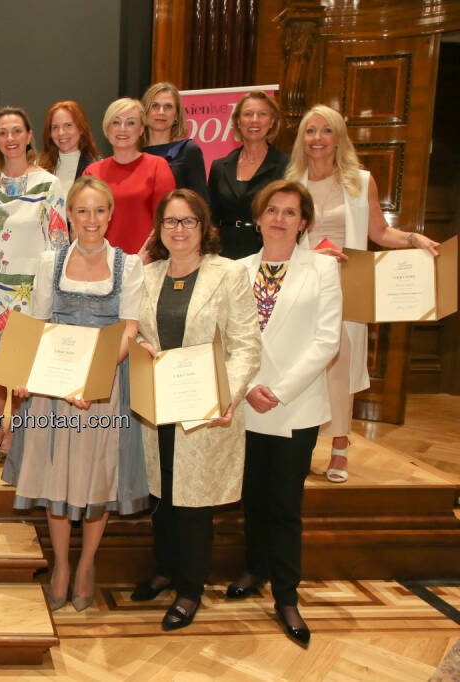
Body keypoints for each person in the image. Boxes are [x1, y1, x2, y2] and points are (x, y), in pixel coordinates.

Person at [3, 176, 148, 612]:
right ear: (69, 214)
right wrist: (25, 373)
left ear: (111, 214)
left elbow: (129, 329)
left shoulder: (129, 265)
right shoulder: (52, 261)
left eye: (99, 210)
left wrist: (92, 378)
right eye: (82, 211)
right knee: (57, 475)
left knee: (96, 475)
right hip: (54, 388)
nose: (91, 219)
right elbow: (39, 321)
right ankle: (61, 565)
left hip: (103, 386)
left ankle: (87, 563)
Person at [129, 189, 261, 631]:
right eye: (170, 221)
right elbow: (132, 332)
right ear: (159, 229)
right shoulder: (148, 275)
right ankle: (165, 569)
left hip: (205, 409)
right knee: (162, 496)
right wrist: (140, 345)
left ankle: (189, 589)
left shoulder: (229, 274)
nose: (179, 229)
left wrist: (226, 396)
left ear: (204, 227)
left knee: (194, 505)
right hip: (158, 406)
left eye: (188, 221)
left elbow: (246, 345)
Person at [286, 105, 439, 482]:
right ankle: (301, 446)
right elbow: (280, 236)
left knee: (340, 364)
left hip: (347, 285)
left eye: (326, 131)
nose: (317, 138)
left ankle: (340, 447)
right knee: (302, 363)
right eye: (310, 131)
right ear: (301, 139)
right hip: (302, 282)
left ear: (339, 137)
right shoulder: (290, 182)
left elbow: (379, 232)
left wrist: (413, 239)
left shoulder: (360, 181)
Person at [229, 179, 342, 647]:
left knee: (284, 504)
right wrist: (249, 387)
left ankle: (287, 594)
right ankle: (255, 568)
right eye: (271, 210)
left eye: (290, 212)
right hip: (246, 402)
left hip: (295, 405)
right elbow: (224, 336)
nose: (279, 219)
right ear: (257, 219)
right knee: (252, 497)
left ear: (304, 222)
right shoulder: (236, 270)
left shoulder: (323, 268)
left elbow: (327, 341)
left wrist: (278, 389)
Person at [0, 106, 67, 462]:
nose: (10, 139)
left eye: (16, 131)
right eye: (3, 133)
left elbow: (59, 241)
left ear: (29, 136)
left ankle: (15, 435)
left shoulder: (49, 184)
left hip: (29, 290)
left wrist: (53, 290)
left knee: (21, 366)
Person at [84, 98, 176, 256]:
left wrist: (142, 259)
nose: (122, 129)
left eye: (131, 123)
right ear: (107, 129)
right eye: (116, 122)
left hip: (146, 261)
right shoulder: (92, 172)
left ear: (141, 129)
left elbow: (165, 220)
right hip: (100, 262)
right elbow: (82, 223)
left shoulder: (157, 166)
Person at [207, 91, 289, 259]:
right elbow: (211, 218)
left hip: (268, 251)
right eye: (248, 114)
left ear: (272, 122)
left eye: (262, 114)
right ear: (238, 121)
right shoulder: (219, 167)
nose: (254, 120)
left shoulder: (287, 165)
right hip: (224, 253)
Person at [141, 82, 209, 202]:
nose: (161, 112)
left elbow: (201, 202)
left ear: (177, 115)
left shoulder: (188, 150)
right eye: (155, 106)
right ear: (144, 112)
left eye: (168, 106)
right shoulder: (134, 152)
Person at [38, 100, 100, 200]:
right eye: (55, 127)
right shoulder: (38, 167)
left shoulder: (97, 168)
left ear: (81, 129)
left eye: (68, 125)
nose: (61, 132)